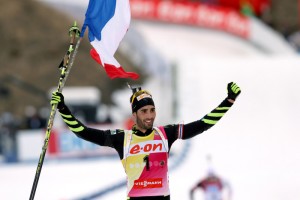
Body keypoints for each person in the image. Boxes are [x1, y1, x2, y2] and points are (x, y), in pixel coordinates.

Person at [50, 82, 241, 200]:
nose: (149, 116)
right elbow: (83, 132)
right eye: (144, 111)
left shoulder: (166, 133)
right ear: (134, 114)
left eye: (152, 110)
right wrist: (64, 110)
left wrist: (229, 101)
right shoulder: (122, 138)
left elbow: (203, 124)